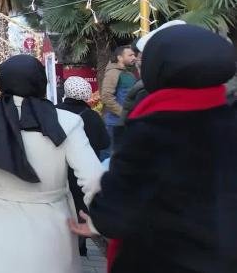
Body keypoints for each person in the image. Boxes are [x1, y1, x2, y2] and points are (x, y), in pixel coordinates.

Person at [69, 24, 237, 273]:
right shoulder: (228, 118)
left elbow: (119, 205)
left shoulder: (151, 128)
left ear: (158, 67)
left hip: (157, 258)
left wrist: (99, 220)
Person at [0, 55, 104, 273]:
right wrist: (98, 221)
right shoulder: (69, 122)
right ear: (42, 82)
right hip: (53, 227)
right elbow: (93, 177)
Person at [56, 76, 110, 256]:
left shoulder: (53, 112)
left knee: (60, 202)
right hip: (82, 171)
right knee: (80, 204)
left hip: (58, 167)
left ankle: (59, 239)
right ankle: (80, 244)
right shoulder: (93, 117)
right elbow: (104, 142)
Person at [99, 45, 136, 156]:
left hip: (125, 122)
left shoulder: (129, 74)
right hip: (114, 124)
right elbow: (106, 96)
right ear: (120, 57)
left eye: (134, 55)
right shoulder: (113, 73)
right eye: (130, 55)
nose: (133, 57)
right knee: (109, 156)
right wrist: (123, 113)